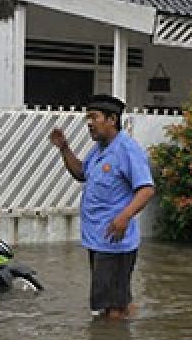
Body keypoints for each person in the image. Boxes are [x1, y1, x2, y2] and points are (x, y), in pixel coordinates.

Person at [49, 94, 155, 320]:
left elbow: (146, 189)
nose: (89, 123)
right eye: (88, 117)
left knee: (112, 309)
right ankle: (120, 338)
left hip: (115, 243)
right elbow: (81, 173)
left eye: (94, 117)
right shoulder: (98, 150)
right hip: (97, 239)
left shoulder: (127, 150)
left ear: (112, 119)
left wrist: (124, 217)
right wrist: (64, 148)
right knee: (110, 302)